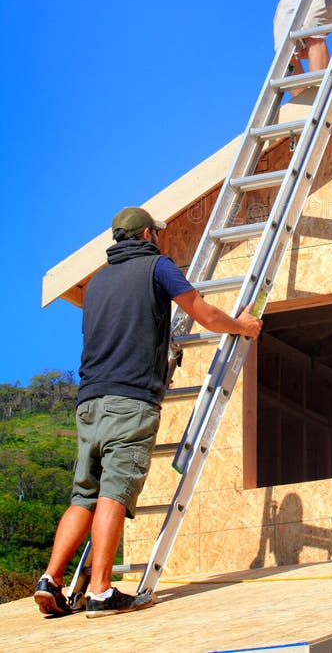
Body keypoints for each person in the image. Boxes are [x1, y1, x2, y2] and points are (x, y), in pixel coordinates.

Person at [34, 206, 262, 619]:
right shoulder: (158, 268)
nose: (159, 238)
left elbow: (116, 338)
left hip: (90, 401)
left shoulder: (98, 283)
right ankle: (101, 591)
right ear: (145, 236)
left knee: (83, 495)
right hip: (129, 402)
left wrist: (155, 368)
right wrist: (242, 326)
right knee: (114, 493)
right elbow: (204, 314)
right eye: (156, 233)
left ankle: (50, 579)